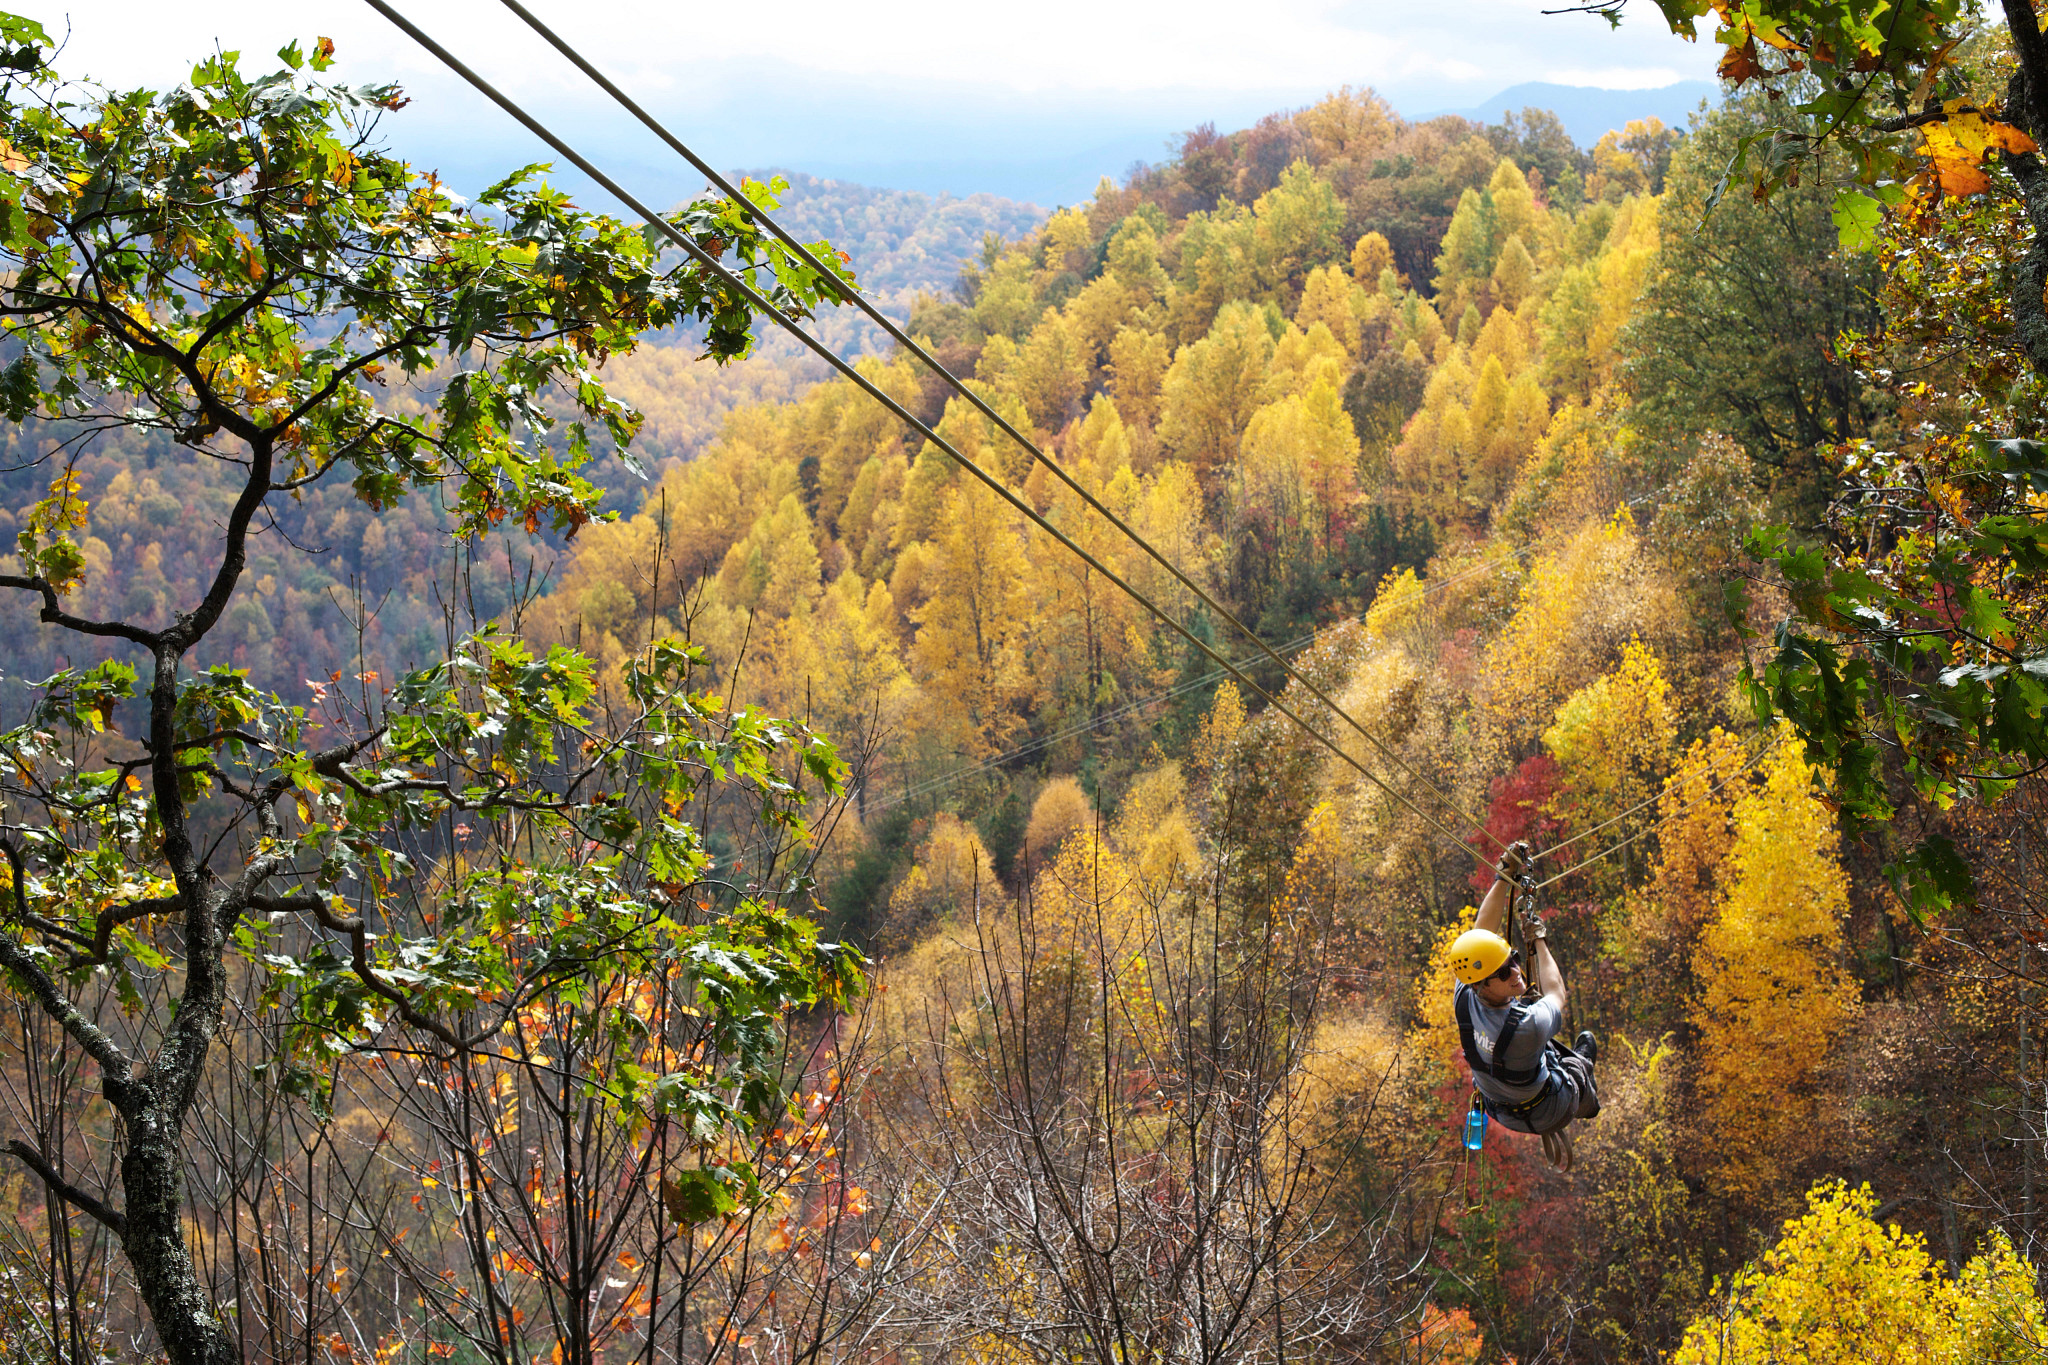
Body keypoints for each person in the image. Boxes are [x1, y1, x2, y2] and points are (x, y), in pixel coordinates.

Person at [1446, 841, 1599, 1136]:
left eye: (1513, 958)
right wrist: (1538, 939)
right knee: (1576, 1063)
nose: (1516, 973)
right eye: (1504, 972)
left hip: (1499, 1106)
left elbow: (1482, 930)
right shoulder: (1527, 1027)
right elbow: (1556, 993)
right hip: (1551, 1109)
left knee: (1535, 1036)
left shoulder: (1465, 995)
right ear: (1482, 984)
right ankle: (1585, 1086)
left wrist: (1502, 878)